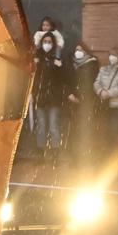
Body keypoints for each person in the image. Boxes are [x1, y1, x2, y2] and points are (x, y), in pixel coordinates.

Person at [31, 32, 72, 163]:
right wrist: (32, 93)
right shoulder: (38, 59)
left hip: (54, 98)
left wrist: (60, 66)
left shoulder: (58, 58)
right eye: (45, 42)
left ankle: (55, 153)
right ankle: (40, 153)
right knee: (41, 126)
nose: (47, 44)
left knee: (54, 126)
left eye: (49, 42)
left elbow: (65, 78)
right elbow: (34, 79)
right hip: (41, 98)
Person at [94, 49, 118, 162]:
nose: (112, 57)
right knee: (106, 130)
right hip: (105, 104)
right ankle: (107, 156)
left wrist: (108, 93)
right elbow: (96, 82)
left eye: (114, 55)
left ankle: (117, 158)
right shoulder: (104, 69)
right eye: (110, 55)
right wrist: (100, 91)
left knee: (116, 130)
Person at [68, 41, 99, 158]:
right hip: (74, 102)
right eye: (76, 50)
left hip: (87, 103)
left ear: (86, 51)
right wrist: (71, 95)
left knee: (86, 130)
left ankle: (86, 155)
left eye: (80, 50)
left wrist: (81, 99)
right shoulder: (74, 65)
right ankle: (76, 156)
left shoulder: (91, 64)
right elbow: (71, 82)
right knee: (75, 130)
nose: (78, 52)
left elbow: (89, 85)